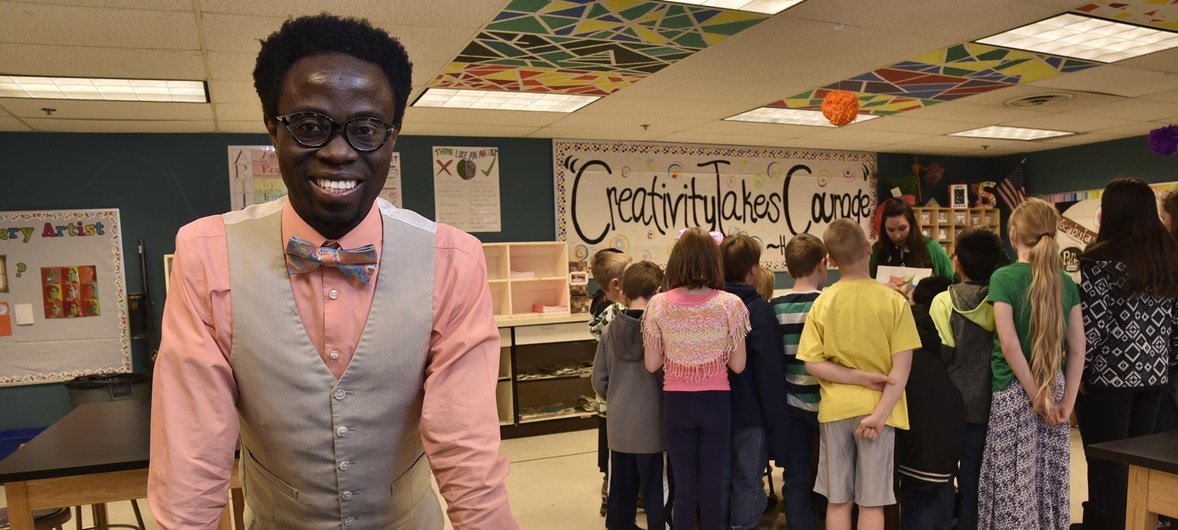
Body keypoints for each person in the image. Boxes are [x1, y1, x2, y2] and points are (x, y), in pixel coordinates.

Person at [147, 14, 516, 529]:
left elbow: (467, 445)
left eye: (365, 129)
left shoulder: (453, 258)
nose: (339, 152)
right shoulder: (205, 254)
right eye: (309, 126)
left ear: (393, 135)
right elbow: (192, 453)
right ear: (272, 128)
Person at [796, 219, 920, 530]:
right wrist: (879, 414)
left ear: (831, 260)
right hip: (880, 410)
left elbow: (812, 363)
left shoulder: (822, 302)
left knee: (838, 501)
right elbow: (901, 370)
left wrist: (856, 377)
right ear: (869, 249)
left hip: (835, 410)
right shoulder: (894, 301)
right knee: (872, 503)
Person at [1075, 179, 1178, 530]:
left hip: (1107, 379)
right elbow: (1175, 325)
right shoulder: (1168, 257)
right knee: (1138, 466)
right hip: (1155, 376)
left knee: (1105, 465)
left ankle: (1105, 524)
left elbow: (1093, 326)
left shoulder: (1100, 259)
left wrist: (1081, 373)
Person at [978, 198, 1084, 530]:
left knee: (1011, 484)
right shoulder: (1065, 282)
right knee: (1048, 482)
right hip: (1056, 390)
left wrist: (1034, 394)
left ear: (1013, 234)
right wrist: (1067, 401)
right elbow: (1078, 348)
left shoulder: (1003, 278)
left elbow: (1010, 345)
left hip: (1014, 393)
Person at [643, 227, 749, 529]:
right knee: (712, 488)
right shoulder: (731, 305)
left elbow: (652, 363)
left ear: (677, 261)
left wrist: (681, 346)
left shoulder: (658, 304)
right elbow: (739, 365)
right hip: (716, 402)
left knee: (685, 490)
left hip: (676, 402)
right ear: (714, 262)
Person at [928, 227, 1007, 530]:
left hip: (950, 406)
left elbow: (942, 356)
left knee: (944, 477)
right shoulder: (1001, 300)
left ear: (956, 262)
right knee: (974, 478)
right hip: (988, 404)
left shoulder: (942, 301)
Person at [592, 261, 670, 530]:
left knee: (620, 496)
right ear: (660, 291)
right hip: (654, 430)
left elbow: (598, 379)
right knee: (657, 495)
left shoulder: (608, 331)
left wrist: (616, 399)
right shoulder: (662, 331)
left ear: (622, 293)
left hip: (619, 430)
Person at [719, 234, 787, 530]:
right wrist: (777, 423)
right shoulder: (759, 310)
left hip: (715, 410)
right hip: (751, 413)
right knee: (748, 480)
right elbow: (770, 373)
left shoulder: (711, 305)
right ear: (753, 270)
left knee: (721, 479)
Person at [769, 233, 828, 530]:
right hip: (828, 404)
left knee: (795, 477)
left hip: (791, 404)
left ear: (789, 270)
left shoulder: (775, 308)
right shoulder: (828, 303)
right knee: (832, 477)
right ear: (823, 264)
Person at [896, 275, 963, 530]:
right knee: (943, 490)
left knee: (918, 499)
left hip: (917, 452)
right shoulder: (940, 357)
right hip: (945, 448)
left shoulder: (905, 360)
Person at [588, 247, 632, 514]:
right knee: (617, 454)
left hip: (607, 399)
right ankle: (614, 499)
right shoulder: (617, 314)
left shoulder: (600, 307)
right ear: (617, 285)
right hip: (619, 397)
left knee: (611, 451)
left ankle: (611, 492)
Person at [869, 198, 954, 280]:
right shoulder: (877, 250)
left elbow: (949, 281)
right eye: (890, 230)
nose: (897, 235)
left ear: (911, 225)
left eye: (902, 228)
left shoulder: (932, 247)